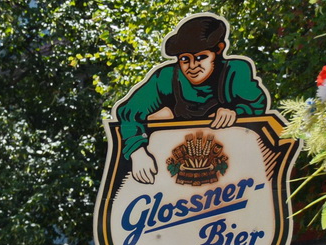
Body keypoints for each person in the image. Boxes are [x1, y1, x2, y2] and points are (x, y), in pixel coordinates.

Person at [115, 14, 270, 185]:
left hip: (231, 174)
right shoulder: (166, 78)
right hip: (169, 176)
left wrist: (236, 112)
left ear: (218, 50)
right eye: (185, 59)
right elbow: (128, 113)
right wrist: (137, 152)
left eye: (200, 57)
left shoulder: (235, 72)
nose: (193, 66)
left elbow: (257, 104)